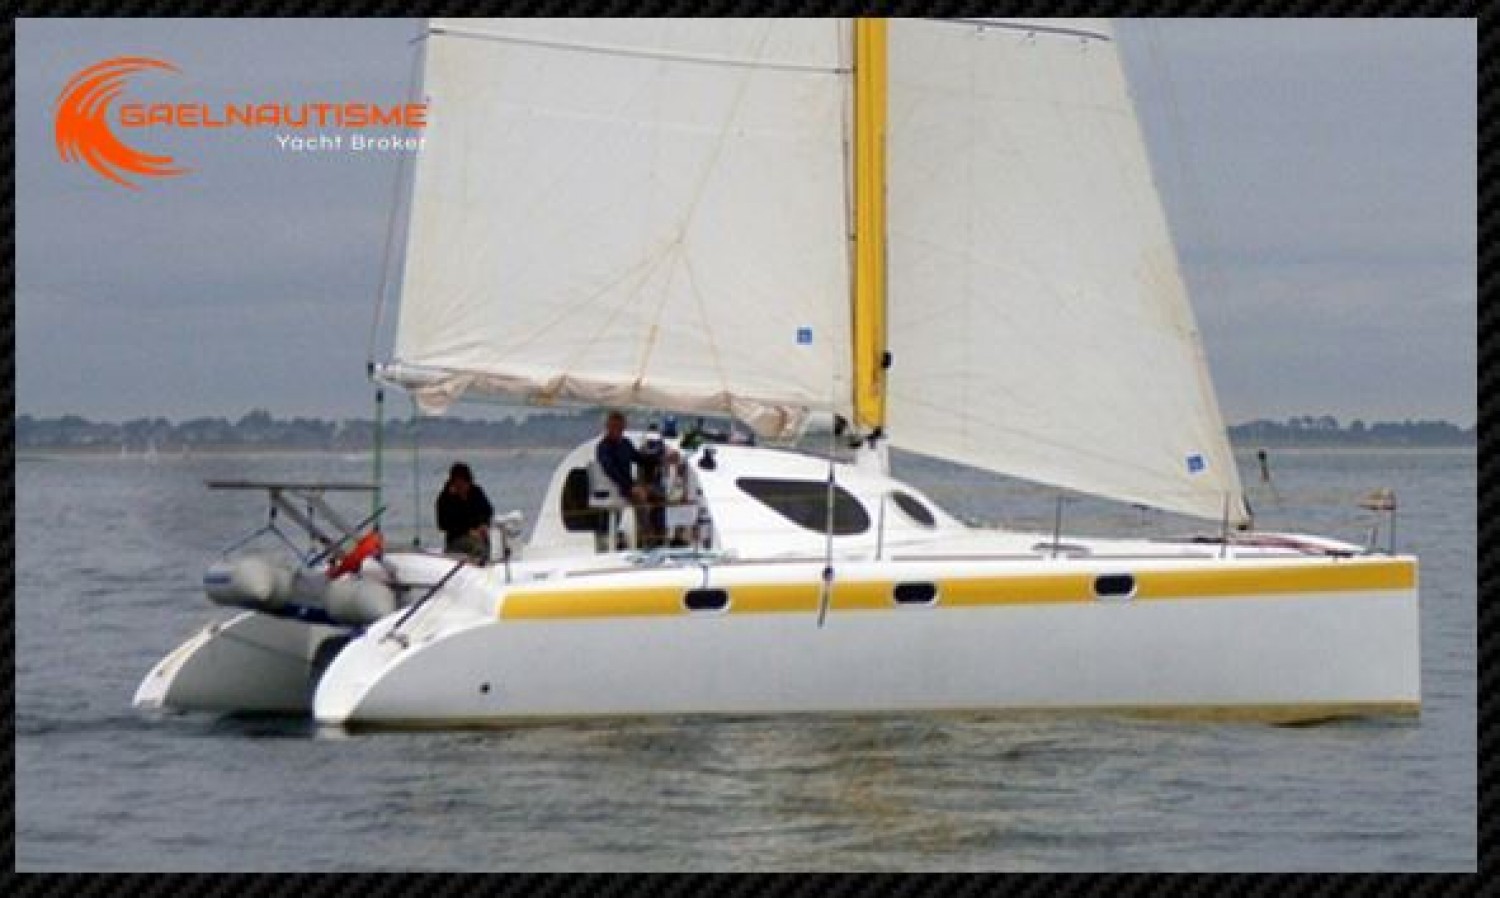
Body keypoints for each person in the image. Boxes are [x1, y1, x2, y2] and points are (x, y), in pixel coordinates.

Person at [435, 462, 493, 563]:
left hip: (479, 535)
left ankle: (483, 563)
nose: (463, 486)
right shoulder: (445, 499)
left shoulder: (476, 492)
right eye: (459, 483)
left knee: (483, 544)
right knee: (476, 546)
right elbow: (443, 524)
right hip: (456, 539)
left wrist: (483, 524)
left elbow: (487, 510)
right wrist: (467, 531)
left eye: (465, 483)